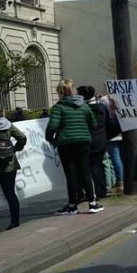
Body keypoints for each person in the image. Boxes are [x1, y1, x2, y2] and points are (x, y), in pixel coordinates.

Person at [46, 79, 103, 215]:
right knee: (85, 172)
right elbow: (93, 124)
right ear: (73, 90)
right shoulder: (83, 106)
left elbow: (52, 126)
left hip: (66, 144)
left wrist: (51, 140)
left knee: (71, 174)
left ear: (60, 92)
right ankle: (93, 203)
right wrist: (85, 132)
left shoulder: (59, 107)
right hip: (83, 142)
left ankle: (73, 205)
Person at [0, 105, 27, 235]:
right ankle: (15, 221)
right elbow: (22, 137)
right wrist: (15, 149)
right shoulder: (6, 124)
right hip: (9, 164)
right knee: (10, 194)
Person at [77, 86, 109, 199]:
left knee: (86, 169)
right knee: (99, 166)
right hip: (101, 140)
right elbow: (109, 123)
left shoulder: (82, 109)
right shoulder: (101, 107)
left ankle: (90, 193)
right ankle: (102, 190)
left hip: (87, 141)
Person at [99, 95, 123, 193]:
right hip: (119, 131)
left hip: (111, 134)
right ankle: (120, 181)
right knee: (119, 158)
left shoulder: (103, 100)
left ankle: (120, 182)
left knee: (114, 158)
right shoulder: (118, 97)